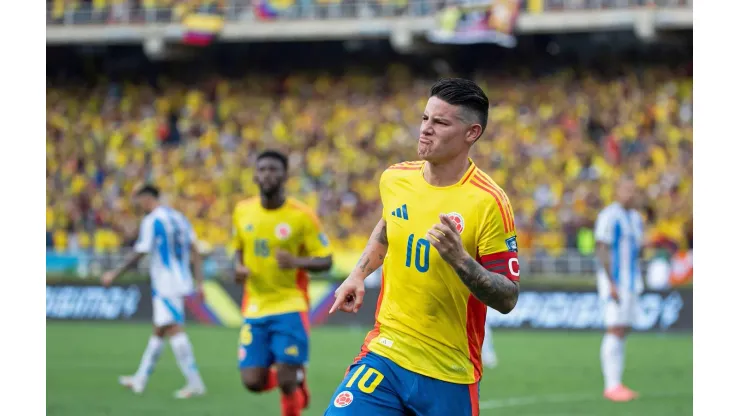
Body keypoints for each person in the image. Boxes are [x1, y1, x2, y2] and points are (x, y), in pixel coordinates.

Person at [324, 78, 520, 416]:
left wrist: (461, 260)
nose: (426, 130)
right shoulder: (395, 179)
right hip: (386, 353)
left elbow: (507, 297)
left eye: (440, 122)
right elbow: (387, 226)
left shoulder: (490, 203)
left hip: (449, 371)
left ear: (471, 133)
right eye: (425, 118)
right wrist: (358, 274)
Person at [232, 150, 334, 416]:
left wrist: (297, 262)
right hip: (255, 304)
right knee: (252, 382)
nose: (267, 174)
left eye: (273, 169)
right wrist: (238, 267)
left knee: (286, 381)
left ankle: (294, 381)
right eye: (262, 169)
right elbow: (238, 248)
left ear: (285, 176)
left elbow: (326, 260)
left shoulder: (301, 216)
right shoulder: (242, 211)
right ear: (255, 175)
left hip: (290, 303)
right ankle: (298, 380)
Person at [102, 184, 206, 399]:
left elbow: (140, 252)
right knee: (159, 330)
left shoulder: (152, 221)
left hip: (166, 283)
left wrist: (114, 273)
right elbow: (195, 250)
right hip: (180, 280)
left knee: (174, 329)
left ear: (147, 198)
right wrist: (200, 282)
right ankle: (140, 379)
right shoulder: (179, 218)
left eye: (139, 200)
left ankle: (195, 383)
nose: (138, 205)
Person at [594, 176, 644, 402]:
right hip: (614, 281)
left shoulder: (636, 218)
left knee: (623, 329)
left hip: (632, 282)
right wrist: (610, 283)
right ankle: (611, 385)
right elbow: (602, 248)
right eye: (626, 189)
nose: (630, 194)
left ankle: (617, 382)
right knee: (614, 328)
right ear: (617, 191)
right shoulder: (609, 215)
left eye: (633, 190)